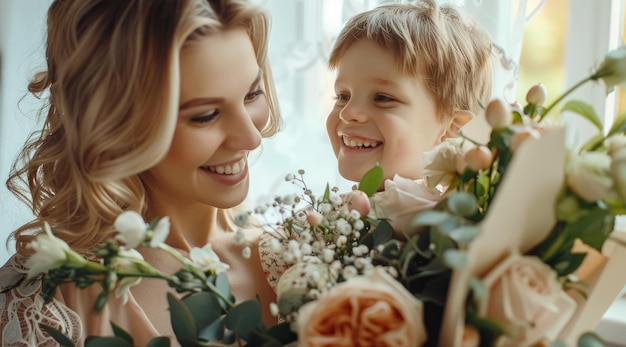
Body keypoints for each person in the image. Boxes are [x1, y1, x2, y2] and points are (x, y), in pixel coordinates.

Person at [0, 0, 282, 345]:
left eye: (253, 93)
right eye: (205, 115)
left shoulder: (306, 253)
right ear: (113, 124)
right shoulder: (50, 304)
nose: (251, 138)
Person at [326, 0, 493, 184]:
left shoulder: (441, 212)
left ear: (454, 129)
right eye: (343, 96)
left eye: (382, 98)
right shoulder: (341, 209)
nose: (347, 112)